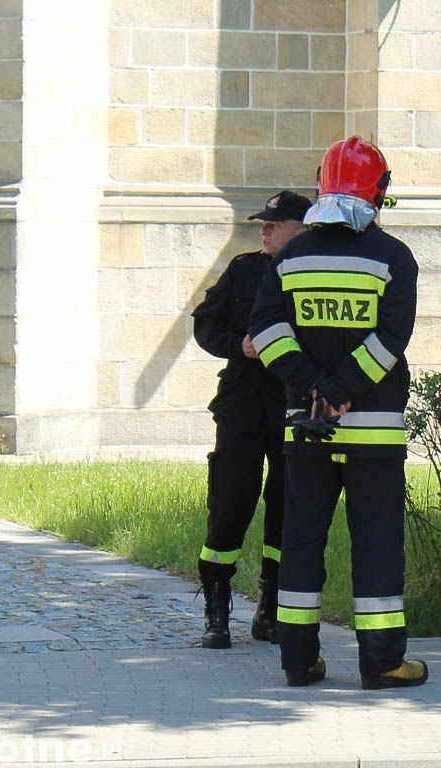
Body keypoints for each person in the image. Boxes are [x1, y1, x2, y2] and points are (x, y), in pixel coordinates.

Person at [247, 136, 428, 690]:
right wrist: (345, 389)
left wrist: (314, 387)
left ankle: (297, 661)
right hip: (372, 430)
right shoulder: (393, 257)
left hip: (307, 427)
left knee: (302, 540)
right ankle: (382, 662)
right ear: (379, 191)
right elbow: (391, 337)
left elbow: (267, 332)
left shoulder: (291, 256)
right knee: (376, 544)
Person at [191, 190, 310, 650]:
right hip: (241, 404)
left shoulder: (310, 273)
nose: (263, 231)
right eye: (262, 225)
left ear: (301, 230)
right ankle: (217, 611)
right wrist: (235, 344)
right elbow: (205, 322)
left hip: (289, 403)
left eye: (272, 225)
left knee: (285, 507)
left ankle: (270, 608)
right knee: (230, 501)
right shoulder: (244, 268)